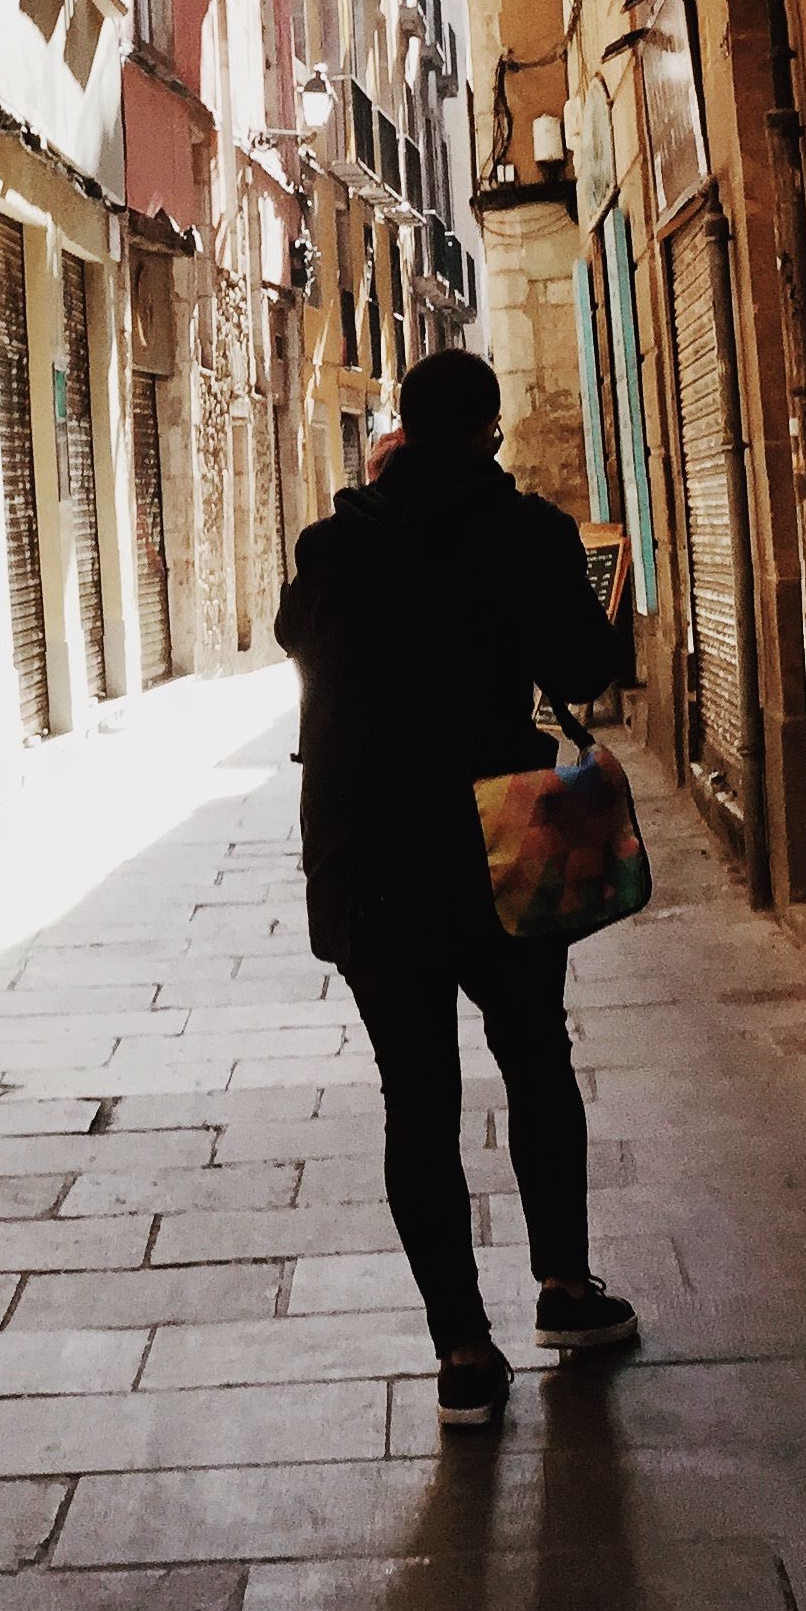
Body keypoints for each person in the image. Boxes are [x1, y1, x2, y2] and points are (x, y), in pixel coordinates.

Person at [276, 345, 638, 1427]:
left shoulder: (335, 541)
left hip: (368, 853)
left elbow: (299, 637)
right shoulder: (528, 532)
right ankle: (565, 1292)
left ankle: (463, 1352)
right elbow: (583, 671)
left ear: (398, 429)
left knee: (416, 1096)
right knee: (535, 1056)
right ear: (489, 428)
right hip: (501, 844)